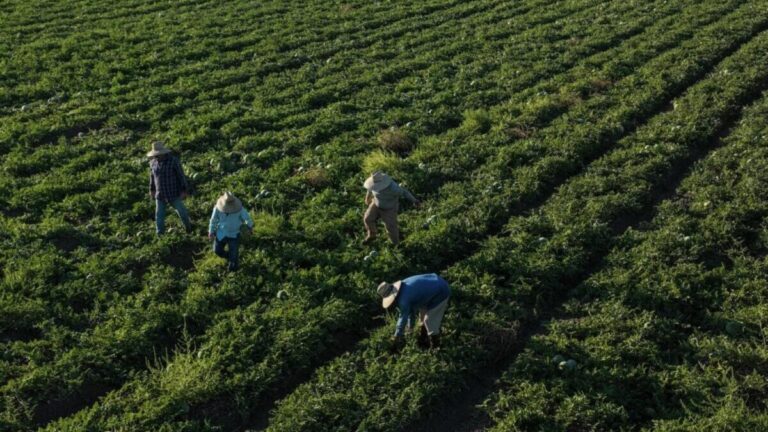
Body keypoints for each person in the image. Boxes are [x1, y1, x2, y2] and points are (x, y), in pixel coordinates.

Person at [377, 273, 450, 351]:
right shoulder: (404, 286)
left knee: (429, 321)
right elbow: (411, 312)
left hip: (441, 291)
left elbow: (403, 317)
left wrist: (397, 336)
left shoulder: (403, 300)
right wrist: (410, 329)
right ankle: (423, 338)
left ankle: (435, 347)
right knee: (421, 318)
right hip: (433, 284)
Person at [147, 141, 192, 236]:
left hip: (173, 192)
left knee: (182, 212)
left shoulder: (173, 161)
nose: (156, 157)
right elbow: (152, 177)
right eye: (155, 155)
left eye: (158, 155)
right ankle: (160, 235)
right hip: (160, 194)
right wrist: (152, 189)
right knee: (159, 216)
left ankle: (189, 228)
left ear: (163, 153)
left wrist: (184, 190)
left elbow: (181, 176)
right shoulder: (153, 163)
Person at [363, 171, 420, 245]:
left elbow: (404, 192)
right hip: (376, 203)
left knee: (391, 227)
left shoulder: (393, 188)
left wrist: (415, 201)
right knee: (367, 219)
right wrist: (367, 198)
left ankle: (396, 244)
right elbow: (370, 189)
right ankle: (372, 234)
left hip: (389, 208)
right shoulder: (373, 184)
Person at [208, 191, 254, 271]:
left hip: (234, 234)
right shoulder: (218, 208)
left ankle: (233, 269)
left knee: (234, 253)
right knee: (217, 250)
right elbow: (213, 220)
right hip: (221, 233)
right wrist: (211, 231)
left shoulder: (239, 209)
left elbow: (247, 218)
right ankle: (229, 256)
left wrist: (250, 226)